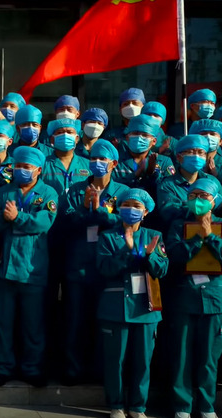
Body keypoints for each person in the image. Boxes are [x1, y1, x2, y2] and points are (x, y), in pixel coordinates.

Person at [165, 178, 222, 418]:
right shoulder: (178, 225)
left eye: (204, 196)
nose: (198, 200)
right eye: (193, 195)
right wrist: (198, 237)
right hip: (185, 296)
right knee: (182, 354)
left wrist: (212, 237)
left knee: (209, 356)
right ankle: (182, 405)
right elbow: (174, 256)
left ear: (215, 199)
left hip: (216, 298)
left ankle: (207, 405)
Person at [58, 140, 129, 385]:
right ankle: (72, 369)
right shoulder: (76, 190)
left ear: (114, 164)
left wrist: (98, 212)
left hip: (108, 266)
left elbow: (123, 222)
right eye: (93, 159)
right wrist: (86, 210)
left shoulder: (122, 192)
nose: (97, 164)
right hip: (78, 265)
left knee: (104, 322)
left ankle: (101, 371)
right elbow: (66, 222)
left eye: (103, 160)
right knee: (75, 321)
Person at [0, 146, 58, 387]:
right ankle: (1, 367)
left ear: (38, 170)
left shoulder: (48, 194)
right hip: (4, 268)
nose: (21, 171)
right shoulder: (3, 192)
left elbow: (44, 223)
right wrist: (4, 219)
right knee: (1, 322)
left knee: (33, 324)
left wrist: (17, 218)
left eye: (27, 167)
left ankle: (32, 368)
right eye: (18, 166)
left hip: (33, 268)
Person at [96, 188, 167, 418]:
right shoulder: (107, 236)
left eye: (137, 206)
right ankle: (116, 405)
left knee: (143, 360)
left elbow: (162, 269)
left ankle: (138, 407)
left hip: (146, 309)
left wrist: (148, 256)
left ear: (146, 211)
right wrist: (126, 251)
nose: (131, 209)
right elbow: (104, 269)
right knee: (115, 360)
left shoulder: (154, 236)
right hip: (115, 308)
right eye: (126, 204)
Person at [156, 135, 222, 230]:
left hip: (213, 230)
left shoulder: (212, 181)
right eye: (190, 152)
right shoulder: (167, 185)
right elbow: (169, 212)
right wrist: (203, 206)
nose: (196, 156)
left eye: (201, 152)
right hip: (180, 234)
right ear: (178, 157)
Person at [111, 114, 175, 199]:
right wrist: (135, 175)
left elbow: (167, 190)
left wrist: (152, 175)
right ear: (127, 138)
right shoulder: (115, 161)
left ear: (154, 141)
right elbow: (111, 186)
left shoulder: (164, 162)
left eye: (145, 135)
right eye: (135, 133)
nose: (139, 138)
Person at [42, 118, 91, 196]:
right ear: (52, 139)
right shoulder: (43, 165)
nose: (65, 135)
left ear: (77, 139)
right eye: (60, 132)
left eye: (69, 132)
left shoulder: (88, 165)